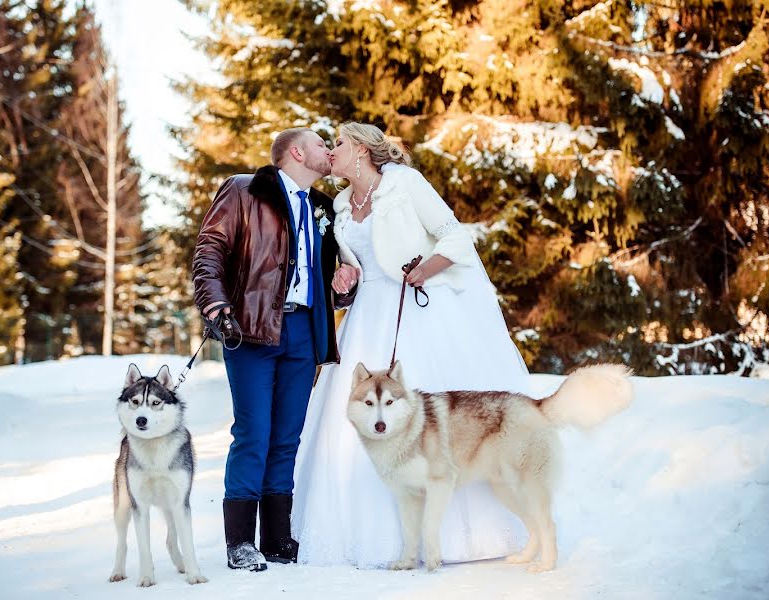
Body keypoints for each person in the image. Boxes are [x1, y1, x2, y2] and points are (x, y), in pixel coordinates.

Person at [292, 122, 531, 567]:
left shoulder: (405, 184)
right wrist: (345, 277)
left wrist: (427, 268)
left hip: (419, 308)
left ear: (361, 149)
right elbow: (354, 267)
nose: (331, 151)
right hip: (368, 318)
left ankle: (464, 535)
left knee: (431, 420)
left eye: (338, 143)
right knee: (356, 418)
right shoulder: (341, 205)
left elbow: (454, 235)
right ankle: (368, 536)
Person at [192, 128, 350, 571]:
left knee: (287, 437)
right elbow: (210, 249)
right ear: (297, 152)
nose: (329, 151)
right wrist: (215, 302)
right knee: (254, 432)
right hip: (252, 328)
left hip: (303, 331)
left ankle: (278, 539)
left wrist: (340, 289)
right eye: (322, 143)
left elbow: (320, 274)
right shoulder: (245, 189)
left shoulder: (323, 208)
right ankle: (239, 542)